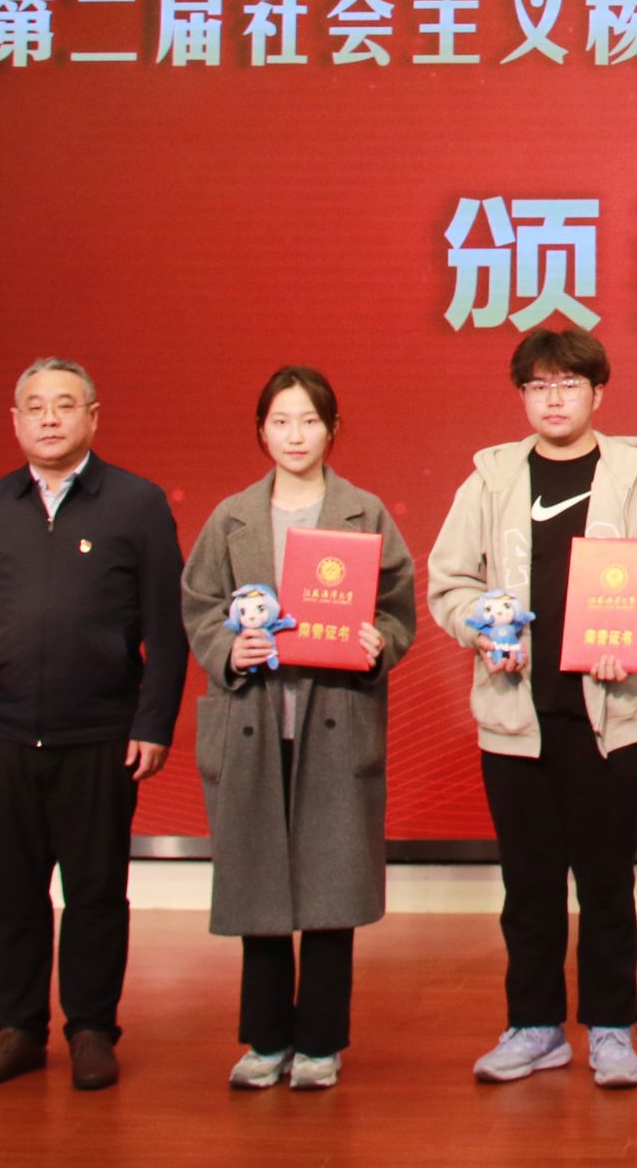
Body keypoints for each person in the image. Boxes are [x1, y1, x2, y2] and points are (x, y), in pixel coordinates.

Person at [428, 326, 637, 1089]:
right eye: (539, 386)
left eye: (569, 384)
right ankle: (534, 1025)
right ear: (523, 395)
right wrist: (481, 628)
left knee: (607, 882)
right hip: (516, 714)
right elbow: (450, 580)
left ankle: (611, 1026)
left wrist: (635, 638)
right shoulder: (490, 479)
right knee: (529, 884)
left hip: (610, 716)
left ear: (597, 393)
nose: (554, 399)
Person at [0, 357, 188, 1091]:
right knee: (11, 891)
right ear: (16, 421)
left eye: (65, 405)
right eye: (35, 406)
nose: (49, 418)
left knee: (96, 891)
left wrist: (153, 722)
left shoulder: (136, 503)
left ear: (92, 417)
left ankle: (91, 1029)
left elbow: (166, 628)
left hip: (101, 733)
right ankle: (17, 1028)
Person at [181, 366, 417, 1092]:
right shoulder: (231, 517)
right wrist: (228, 649)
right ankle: (264, 1040)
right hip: (252, 721)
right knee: (258, 886)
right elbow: (199, 605)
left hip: (334, 720)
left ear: (332, 430)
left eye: (309, 421)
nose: (294, 435)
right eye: (281, 421)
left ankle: (319, 1041)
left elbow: (398, 607)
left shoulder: (363, 513)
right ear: (262, 430)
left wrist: (379, 641)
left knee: (328, 887)